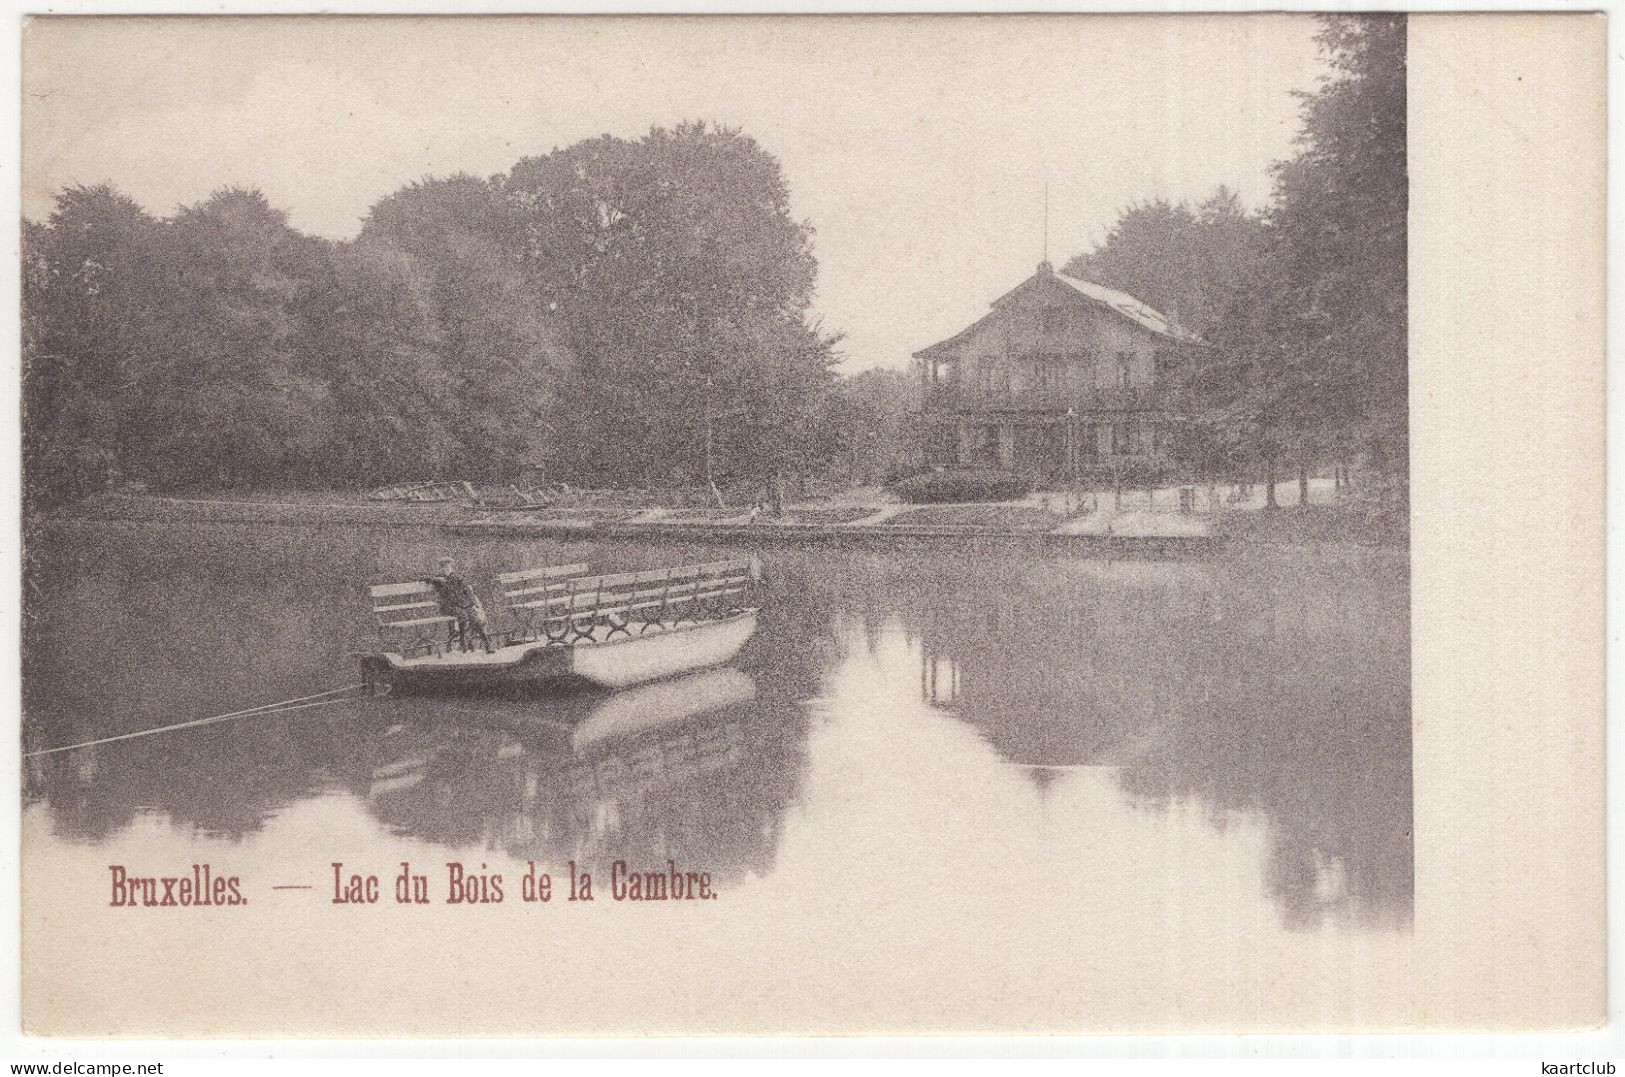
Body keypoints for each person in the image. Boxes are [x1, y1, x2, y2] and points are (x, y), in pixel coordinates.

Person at [426, 556, 493, 653]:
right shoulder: (439, 579)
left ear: (451, 567)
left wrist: (473, 604)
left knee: (476, 619)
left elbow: (467, 590)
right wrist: (434, 579)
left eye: (448, 567)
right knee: (463, 614)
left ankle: (487, 646)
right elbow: (426, 579)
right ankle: (463, 642)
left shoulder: (457, 578)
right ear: (440, 568)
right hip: (448, 607)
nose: (446, 570)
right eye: (444, 567)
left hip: (461, 606)